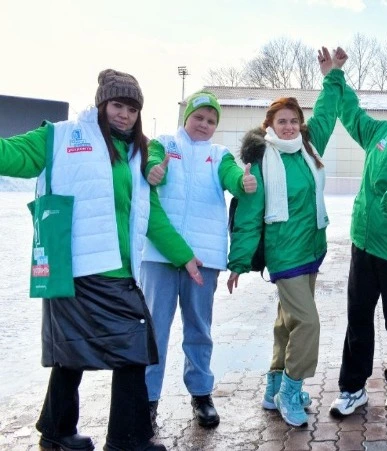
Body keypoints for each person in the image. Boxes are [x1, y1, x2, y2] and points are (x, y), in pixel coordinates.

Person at [0, 69, 203, 451]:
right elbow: (13, 156)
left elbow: (151, 216)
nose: (124, 115)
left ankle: (57, 431)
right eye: (117, 105)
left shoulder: (136, 154)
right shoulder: (61, 137)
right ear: (101, 104)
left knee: (73, 351)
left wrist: (185, 257)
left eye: (131, 108)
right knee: (134, 350)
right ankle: (127, 440)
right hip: (79, 268)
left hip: (118, 270)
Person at [226, 50, 340, 428]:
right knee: (308, 323)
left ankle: (273, 386)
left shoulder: (308, 147)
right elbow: (247, 215)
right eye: (282, 121)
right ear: (270, 125)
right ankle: (291, 389)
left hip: (312, 249)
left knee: (287, 322)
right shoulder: (261, 160)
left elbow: (326, 112)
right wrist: (239, 261)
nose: (289, 127)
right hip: (284, 255)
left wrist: (332, 77)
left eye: (294, 121)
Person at [317, 47, 387, 417]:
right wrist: (334, 75)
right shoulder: (380, 133)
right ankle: (352, 388)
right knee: (358, 316)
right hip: (363, 244)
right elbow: (350, 112)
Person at [140, 90, 257, 429]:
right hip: (160, 257)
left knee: (199, 329)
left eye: (211, 120)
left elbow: (232, 175)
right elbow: (150, 161)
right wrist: (153, 171)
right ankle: (148, 399)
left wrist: (242, 181)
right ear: (186, 117)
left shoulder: (218, 155)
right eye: (199, 117)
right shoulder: (164, 144)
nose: (204, 125)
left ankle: (201, 394)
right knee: (154, 331)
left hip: (204, 259)